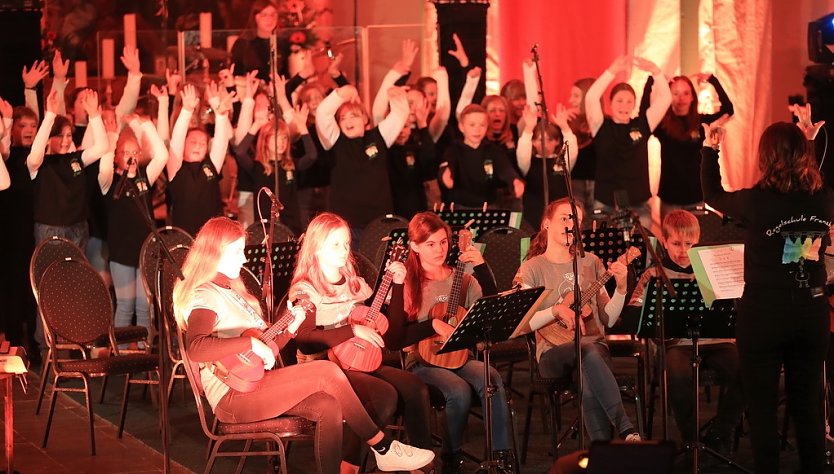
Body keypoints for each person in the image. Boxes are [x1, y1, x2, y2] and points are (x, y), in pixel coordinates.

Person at [172, 217, 434, 474]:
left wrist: (291, 327)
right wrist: (251, 340)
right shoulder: (205, 294)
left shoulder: (233, 292)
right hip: (231, 397)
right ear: (213, 252)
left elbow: (265, 351)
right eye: (237, 252)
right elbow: (196, 347)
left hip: (255, 382)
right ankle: (384, 448)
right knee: (326, 372)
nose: (243, 259)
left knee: (327, 405)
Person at [700, 104, 834, 474]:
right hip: (811, 312)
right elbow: (814, 179)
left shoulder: (755, 201)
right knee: (808, 407)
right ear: (802, 156)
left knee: (761, 412)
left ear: (765, 157)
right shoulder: (823, 198)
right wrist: (809, 142)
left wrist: (710, 148)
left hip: (764, 314)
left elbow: (712, 193)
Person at [288, 212, 435, 473]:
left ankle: (423, 466)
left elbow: (393, 339)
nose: (344, 250)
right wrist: (351, 330)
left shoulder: (357, 285)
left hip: (362, 360)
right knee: (384, 394)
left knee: (415, 388)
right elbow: (305, 340)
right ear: (316, 248)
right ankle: (350, 465)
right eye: (335, 244)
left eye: (346, 243)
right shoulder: (306, 288)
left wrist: (398, 286)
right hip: (326, 367)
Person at [393, 212, 514, 473]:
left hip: (459, 356)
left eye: (444, 242)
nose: (440, 249)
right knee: (457, 391)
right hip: (423, 361)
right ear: (414, 246)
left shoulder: (462, 278)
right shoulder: (409, 283)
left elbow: (491, 309)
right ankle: (451, 457)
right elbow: (397, 337)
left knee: (490, 377)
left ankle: (500, 456)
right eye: (431, 244)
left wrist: (481, 266)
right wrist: (433, 325)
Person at [513, 197, 641, 442]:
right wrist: (555, 311)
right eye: (565, 218)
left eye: (577, 220)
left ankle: (600, 454)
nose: (571, 224)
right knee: (586, 352)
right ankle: (626, 429)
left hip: (593, 348)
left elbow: (609, 319)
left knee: (587, 362)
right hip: (553, 353)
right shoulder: (531, 268)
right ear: (546, 224)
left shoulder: (590, 262)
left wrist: (622, 287)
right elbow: (521, 325)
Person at [627, 210, 743, 456]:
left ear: (698, 241)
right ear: (665, 242)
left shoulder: (713, 269)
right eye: (676, 244)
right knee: (678, 374)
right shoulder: (653, 273)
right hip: (677, 344)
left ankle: (720, 432)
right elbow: (634, 309)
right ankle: (690, 438)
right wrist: (643, 305)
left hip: (717, 340)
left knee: (746, 373)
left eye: (689, 244)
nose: (682, 250)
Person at [98, 116, 170, 344]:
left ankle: (143, 349)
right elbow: (104, 165)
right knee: (125, 305)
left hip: (144, 250)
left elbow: (162, 155)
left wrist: (147, 124)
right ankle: (121, 351)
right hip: (121, 253)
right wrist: (111, 138)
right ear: (117, 156)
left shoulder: (144, 178)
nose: (132, 156)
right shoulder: (110, 181)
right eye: (126, 152)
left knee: (143, 305)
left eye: (136, 151)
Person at [585, 55, 671, 229]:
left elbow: (665, 98)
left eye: (629, 101)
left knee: (643, 252)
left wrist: (656, 71)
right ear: (610, 103)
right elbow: (591, 98)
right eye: (619, 101)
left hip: (638, 204)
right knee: (605, 253)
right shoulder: (600, 126)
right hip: (606, 203)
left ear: (634, 104)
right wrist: (611, 72)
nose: (624, 106)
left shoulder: (643, 123)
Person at [315, 85, 409, 239]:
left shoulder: (378, 136)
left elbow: (400, 113)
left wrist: (395, 96)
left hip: (380, 224)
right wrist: (342, 93)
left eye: (353, 116)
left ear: (365, 119)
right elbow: (322, 113)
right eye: (342, 118)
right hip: (346, 226)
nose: (348, 121)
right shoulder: (335, 140)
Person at [642, 74, 733, 220]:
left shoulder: (701, 122)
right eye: (675, 93)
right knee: (670, 241)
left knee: (696, 242)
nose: (681, 98)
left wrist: (712, 79)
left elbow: (728, 110)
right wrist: (652, 82)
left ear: (692, 96)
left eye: (686, 93)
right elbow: (644, 118)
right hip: (670, 196)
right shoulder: (662, 124)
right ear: (669, 96)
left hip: (696, 195)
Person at [166, 83, 233, 236]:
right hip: (185, 242)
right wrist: (186, 111)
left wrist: (222, 117)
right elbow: (176, 140)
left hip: (212, 240)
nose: (198, 146)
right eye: (193, 142)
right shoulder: (176, 166)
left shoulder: (210, 165)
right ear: (184, 144)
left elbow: (221, 143)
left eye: (203, 143)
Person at [439, 104, 524, 209]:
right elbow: (447, 166)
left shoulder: (493, 150)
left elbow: (505, 168)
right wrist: (445, 175)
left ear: (487, 126)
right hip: (460, 207)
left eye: (482, 125)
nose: (477, 130)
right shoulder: (454, 149)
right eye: (472, 125)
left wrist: (514, 180)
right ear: (461, 127)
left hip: (488, 206)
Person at [517, 103, 579, 229]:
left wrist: (564, 127)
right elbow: (522, 151)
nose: (544, 144)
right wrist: (529, 129)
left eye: (549, 140)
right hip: (533, 216)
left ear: (557, 142)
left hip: (559, 216)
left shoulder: (561, 161)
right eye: (540, 140)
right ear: (533, 142)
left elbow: (571, 150)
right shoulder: (529, 162)